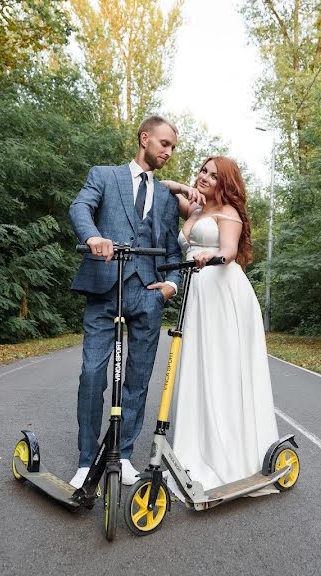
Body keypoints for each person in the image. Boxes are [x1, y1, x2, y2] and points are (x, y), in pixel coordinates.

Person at [68, 115, 203, 488]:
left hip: (148, 293)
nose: (169, 152)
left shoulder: (164, 195)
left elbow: (176, 242)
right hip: (104, 287)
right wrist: (93, 235)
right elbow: (80, 208)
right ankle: (84, 461)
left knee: (138, 380)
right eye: (164, 144)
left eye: (173, 147)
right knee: (93, 373)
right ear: (144, 138)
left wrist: (171, 285)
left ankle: (123, 454)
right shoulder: (104, 175)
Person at [168, 155, 280, 496]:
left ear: (225, 184)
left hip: (222, 291)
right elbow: (159, 187)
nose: (204, 177)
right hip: (197, 294)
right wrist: (184, 187)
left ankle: (230, 450)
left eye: (213, 176)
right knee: (197, 366)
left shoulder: (228, 214)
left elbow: (229, 251)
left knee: (222, 368)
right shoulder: (195, 210)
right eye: (203, 171)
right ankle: (195, 446)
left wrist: (209, 256)